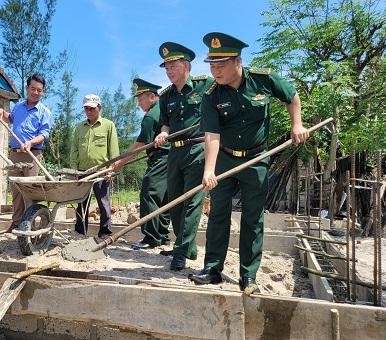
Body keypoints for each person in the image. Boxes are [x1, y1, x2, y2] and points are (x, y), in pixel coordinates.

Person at [189, 32, 309, 293]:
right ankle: (212, 269)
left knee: (253, 219)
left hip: (256, 160)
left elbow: (292, 96)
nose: (215, 71)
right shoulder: (211, 95)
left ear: (238, 61)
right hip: (225, 159)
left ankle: (249, 275)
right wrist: (209, 170)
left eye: (221, 65)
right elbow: (211, 135)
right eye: (211, 65)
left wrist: (296, 124)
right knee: (218, 214)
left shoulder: (262, 80)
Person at [154, 42, 213, 271]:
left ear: (186, 65)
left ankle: (180, 251)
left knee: (192, 201)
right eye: (166, 67)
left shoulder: (205, 85)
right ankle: (185, 244)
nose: (169, 71)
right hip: (175, 152)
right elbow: (166, 124)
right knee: (175, 203)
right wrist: (163, 133)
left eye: (172, 66)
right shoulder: (166, 96)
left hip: (198, 149)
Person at [113, 78, 171, 250]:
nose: (139, 104)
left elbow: (139, 146)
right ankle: (162, 235)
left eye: (140, 99)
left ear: (152, 97)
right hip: (172, 158)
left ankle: (151, 238)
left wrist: (119, 163)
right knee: (164, 198)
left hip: (161, 157)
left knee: (149, 193)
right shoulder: (164, 109)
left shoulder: (150, 116)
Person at [0, 73, 52, 232]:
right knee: (16, 190)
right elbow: (11, 118)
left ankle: (30, 224)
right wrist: (2, 112)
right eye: (33, 88)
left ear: (43, 92)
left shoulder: (44, 111)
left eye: (39, 90)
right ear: (27, 88)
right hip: (15, 153)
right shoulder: (18, 106)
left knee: (30, 191)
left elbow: (44, 134)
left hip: (32, 154)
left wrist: (31, 142)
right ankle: (16, 222)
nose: (35, 92)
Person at [70, 94, 119, 238]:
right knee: (81, 204)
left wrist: (112, 171)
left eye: (92, 108)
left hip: (102, 172)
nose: (89, 111)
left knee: (104, 204)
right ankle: (80, 231)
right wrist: (74, 170)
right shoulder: (79, 128)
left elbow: (114, 151)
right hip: (82, 172)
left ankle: (105, 232)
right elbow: (74, 150)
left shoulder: (108, 126)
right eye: (86, 108)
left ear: (99, 108)